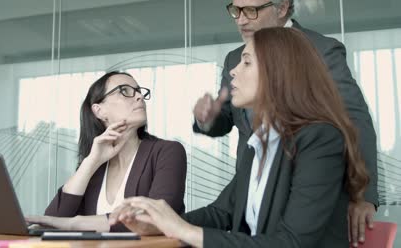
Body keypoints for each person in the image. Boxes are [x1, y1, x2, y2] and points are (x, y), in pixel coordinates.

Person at [109, 27, 369, 248]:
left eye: (246, 62)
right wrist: (158, 221)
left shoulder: (320, 138)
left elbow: (291, 243)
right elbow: (222, 212)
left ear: (277, 71)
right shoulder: (262, 141)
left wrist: (185, 231)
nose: (233, 71)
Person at [192, 0, 378, 246]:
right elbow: (227, 117)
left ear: (282, 8)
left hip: (305, 193)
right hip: (255, 195)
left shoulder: (321, 50)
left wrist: (364, 195)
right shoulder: (235, 58)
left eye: (251, 10)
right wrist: (207, 118)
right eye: (236, 10)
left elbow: (355, 121)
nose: (241, 19)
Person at [26, 71, 187, 232]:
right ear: (99, 111)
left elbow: (157, 219)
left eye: (139, 91)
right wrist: (90, 162)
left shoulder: (167, 152)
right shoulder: (94, 166)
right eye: (125, 91)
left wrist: (75, 223)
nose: (139, 97)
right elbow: (54, 219)